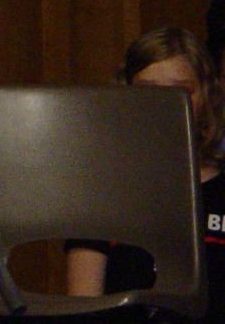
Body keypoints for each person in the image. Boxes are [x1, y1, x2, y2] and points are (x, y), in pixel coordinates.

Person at [66, 26, 225, 317]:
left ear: (206, 94)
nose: (164, 107)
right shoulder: (103, 189)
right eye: (148, 92)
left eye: (180, 92)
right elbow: (83, 304)